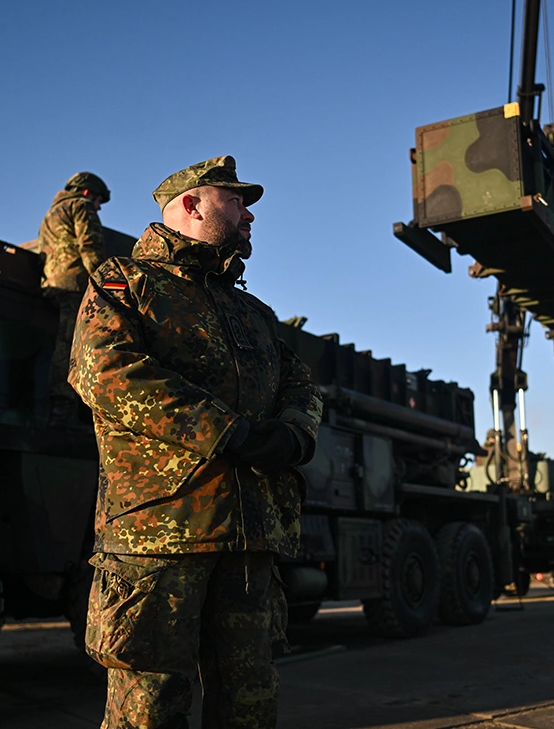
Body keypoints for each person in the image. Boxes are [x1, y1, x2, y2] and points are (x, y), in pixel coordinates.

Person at [68, 155, 322, 729]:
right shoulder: (125, 284)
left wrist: (292, 433)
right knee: (149, 708)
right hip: (161, 537)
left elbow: (300, 382)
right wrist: (227, 432)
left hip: (250, 538)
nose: (249, 214)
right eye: (236, 200)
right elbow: (105, 372)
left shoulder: (252, 311)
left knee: (250, 703)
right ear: (191, 204)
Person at [38, 171, 111, 427]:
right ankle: (63, 409)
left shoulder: (51, 214)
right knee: (73, 347)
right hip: (74, 285)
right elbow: (90, 246)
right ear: (88, 192)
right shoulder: (80, 205)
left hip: (52, 283)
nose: (98, 207)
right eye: (99, 201)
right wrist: (105, 286)